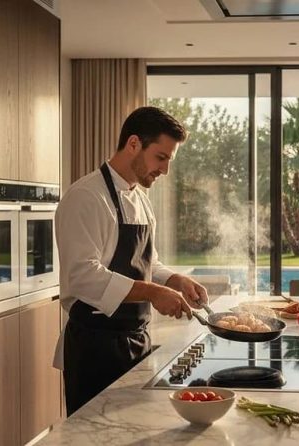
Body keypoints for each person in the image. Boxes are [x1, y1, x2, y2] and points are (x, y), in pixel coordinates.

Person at [53, 106, 208, 415]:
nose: (165, 170)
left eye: (168, 160)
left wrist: (174, 280)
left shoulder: (141, 200)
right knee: (94, 434)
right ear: (134, 143)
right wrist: (152, 292)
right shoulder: (86, 197)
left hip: (136, 341)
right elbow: (83, 276)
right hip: (94, 349)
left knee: (135, 427)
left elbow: (149, 262)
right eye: (161, 157)